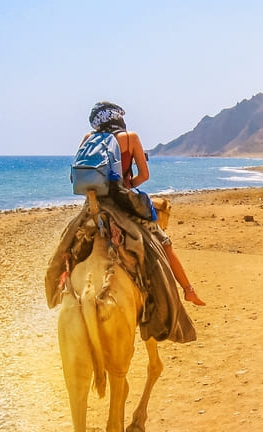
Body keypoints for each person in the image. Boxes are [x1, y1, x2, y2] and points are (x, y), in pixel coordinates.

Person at [84, 101, 205, 306]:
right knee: (164, 243)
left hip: (93, 204)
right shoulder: (130, 138)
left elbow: (81, 175)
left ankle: (58, 290)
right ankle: (188, 290)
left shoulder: (88, 139)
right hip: (123, 204)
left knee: (69, 242)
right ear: (117, 118)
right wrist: (128, 184)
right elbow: (144, 175)